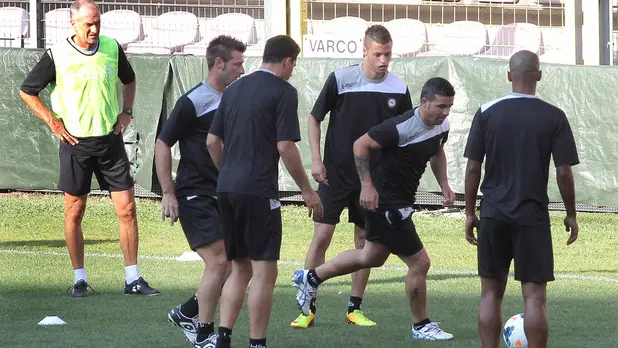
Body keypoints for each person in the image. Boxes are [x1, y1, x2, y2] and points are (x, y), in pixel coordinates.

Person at [293, 77, 456, 341]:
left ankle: (310, 278)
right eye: (441, 106)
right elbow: (360, 145)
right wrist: (366, 185)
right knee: (420, 262)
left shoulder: (442, 126)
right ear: (425, 102)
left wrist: (445, 183)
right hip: (386, 203)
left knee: (372, 256)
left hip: (401, 199)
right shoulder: (400, 126)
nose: (445, 112)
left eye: (449, 106)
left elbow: (437, 152)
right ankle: (421, 325)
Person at [19, 0, 158, 297]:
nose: (94, 29)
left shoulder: (111, 47)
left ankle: (133, 278)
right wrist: (53, 123)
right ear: (73, 24)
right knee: (75, 211)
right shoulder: (57, 54)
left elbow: (130, 80)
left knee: (128, 210)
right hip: (75, 144)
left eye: (97, 22)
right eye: (88, 24)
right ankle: (79, 279)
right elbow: (27, 91)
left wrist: (127, 112)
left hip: (110, 141)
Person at [205, 35, 323, 348]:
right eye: (293, 64)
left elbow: (212, 142)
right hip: (258, 191)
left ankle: (224, 339)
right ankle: (257, 343)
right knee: (264, 273)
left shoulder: (233, 89)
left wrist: (228, 174)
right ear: (287, 61)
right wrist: (307, 190)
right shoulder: (284, 91)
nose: (293, 70)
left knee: (240, 268)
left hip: (227, 188)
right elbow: (285, 145)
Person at [292, 24, 413, 329]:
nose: (384, 60)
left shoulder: (398, 88)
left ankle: (354, 309)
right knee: (322, 236)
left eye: (387, 54)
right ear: (365, 51)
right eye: (377, 54)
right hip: (334, 175)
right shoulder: (341, 79)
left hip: (373, 182)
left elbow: (405, 133)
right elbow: (314, 117)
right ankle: (308, 308)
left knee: (364, 242)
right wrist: (316, 160)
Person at [463, 50, 579, 348]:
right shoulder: (554, 116)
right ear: (539, 75)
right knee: (535, 296)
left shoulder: (486, 111)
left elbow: (473, 167)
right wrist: (571, 214)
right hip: (532, 216)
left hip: (493, 214)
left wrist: (469, 213)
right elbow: (564, 173)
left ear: (509, 75)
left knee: (490, 293)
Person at [155, 36, 247, 345]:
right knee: (219, 262)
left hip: (225, 193)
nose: (242, 69)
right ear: (219, 63)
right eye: (237, 63)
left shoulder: (235, 97)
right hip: (194, 193)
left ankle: (188, 312)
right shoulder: (193, 100)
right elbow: (162, 143)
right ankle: (203, 334)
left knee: (232, 264)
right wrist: (168, 192)